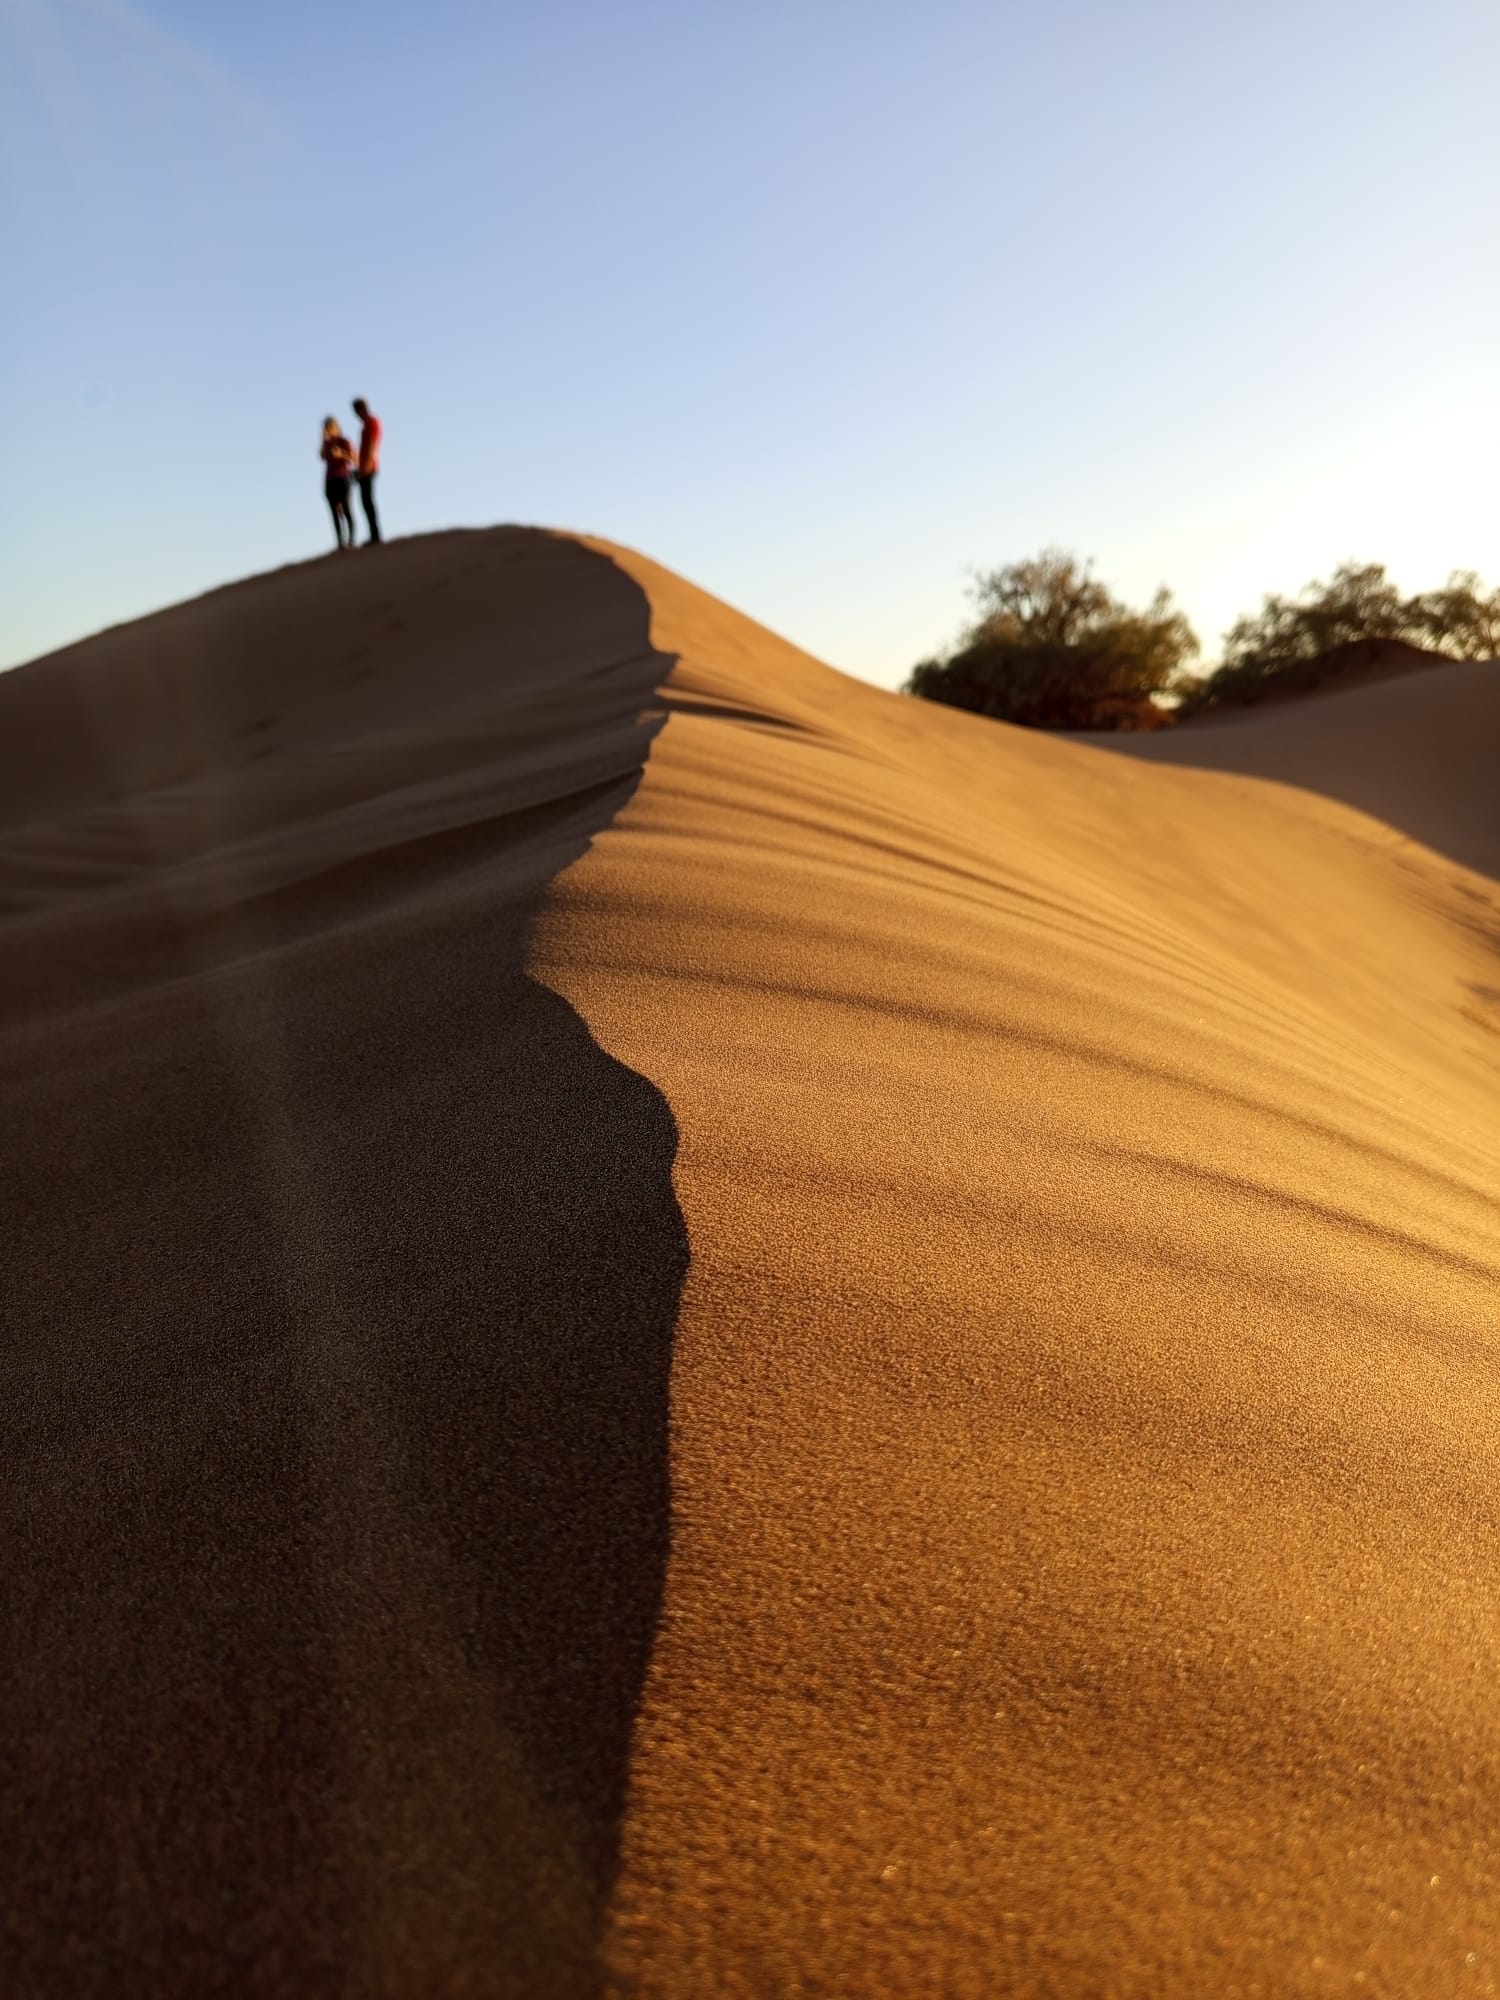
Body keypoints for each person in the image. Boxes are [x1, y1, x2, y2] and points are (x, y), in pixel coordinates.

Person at [320, 417, 357, 550]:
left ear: (336, 427)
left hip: (343, 479)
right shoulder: (326, 444)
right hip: (330, 480)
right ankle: (340, 542)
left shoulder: (344, 441)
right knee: (334, 512)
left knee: (347, 509)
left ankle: (351, 540)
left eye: (329, 427)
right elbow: (322, 456)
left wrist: (342, 454)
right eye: (325, 428)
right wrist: (323, 440)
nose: (327, 430)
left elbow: (355, 459)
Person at [352, 397, 383, 545]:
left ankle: (375, 535)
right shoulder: (366, 425)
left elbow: (372, 445)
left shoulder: (371, 423)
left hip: (369, 468)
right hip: (365, 467)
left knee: (367, 501)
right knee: (366, 502)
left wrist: (365, 468)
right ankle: (374, 534)